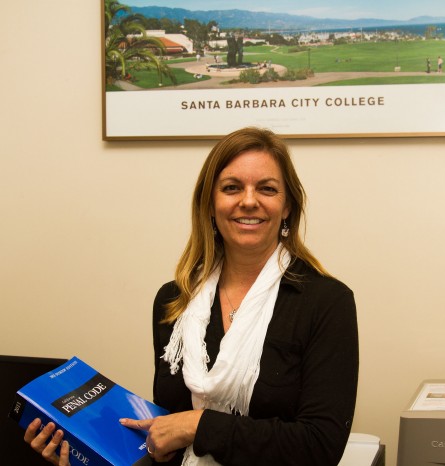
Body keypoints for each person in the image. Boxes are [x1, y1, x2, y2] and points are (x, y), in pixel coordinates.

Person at [24, 127, 359, 466]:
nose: (248, 200)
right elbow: (169, 444)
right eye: (231, 188)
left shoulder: (327, 303)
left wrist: (199, 425)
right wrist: (84, 454)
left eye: (266, 189)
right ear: (210, 205)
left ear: (286, 207)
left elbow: (320, 446)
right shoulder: (174, 303)